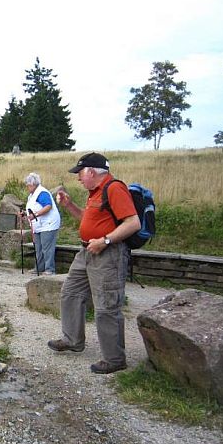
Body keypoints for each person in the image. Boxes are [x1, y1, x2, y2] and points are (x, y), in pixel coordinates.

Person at [48, 152, 141, 375]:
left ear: (91, 171)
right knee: (70, 293)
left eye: (80, 173)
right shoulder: (94, 193)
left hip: (107, 253)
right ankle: (72, 340)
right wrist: (70, 206)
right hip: (87, 251)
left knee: (107, 306)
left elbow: (133, 222)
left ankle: (115, 358)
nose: (78, 178)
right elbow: (89, 220)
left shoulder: (114, 188)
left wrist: (105, 240)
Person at [23, 172, 61, 275]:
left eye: (28, 185)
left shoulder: (42, 193)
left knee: (47, 248)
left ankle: (50, 269)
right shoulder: (32, 195)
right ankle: (39, 268)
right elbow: (33, 208)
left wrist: (36, 215)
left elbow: (48, 206)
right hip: (38, 225)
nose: (27, 187)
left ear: (33, 184)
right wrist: (24, 213)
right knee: (38, 247)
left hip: (48, 224)